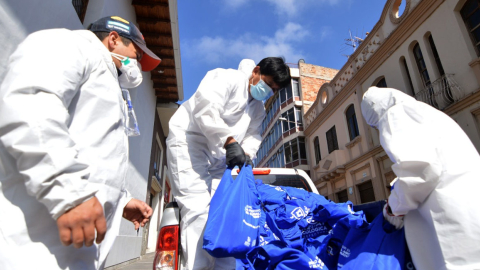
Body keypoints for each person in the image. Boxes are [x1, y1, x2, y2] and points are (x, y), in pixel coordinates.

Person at [0, 16, 159, 270]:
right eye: (137, 55)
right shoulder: (70, 45)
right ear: (114, 39)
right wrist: (69, 193)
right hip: (36, 245)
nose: (138, 65)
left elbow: (94, 151)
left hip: (75, 247)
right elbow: (30, 106)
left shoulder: (110, 83)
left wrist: (122, 200)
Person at [166, 57, 291, 269]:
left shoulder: (258, 109)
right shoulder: (227, 78)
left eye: (273, 90)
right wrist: (229, 140)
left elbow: (253, 136)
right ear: (256, 71)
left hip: (219, 158)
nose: (268, 91)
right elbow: (205, 108)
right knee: (198, 210)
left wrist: (247, 154)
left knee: (225, 212)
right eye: (268, 84)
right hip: (189, 142)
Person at [361, 87, 480, 270]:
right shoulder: (426, 112)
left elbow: (418, 172)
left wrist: (393, 208)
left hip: (449, 219)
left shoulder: (395, 115)